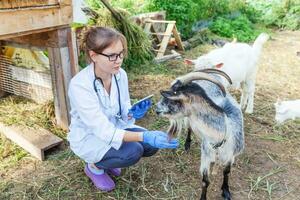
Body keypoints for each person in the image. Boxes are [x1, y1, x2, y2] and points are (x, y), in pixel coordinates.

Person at [67, 26, 179, 192]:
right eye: (112, 55)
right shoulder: (80, 85)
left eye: (121, 54)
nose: (118, 60)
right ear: (94, 55)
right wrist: (144, 135)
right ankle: (94, 167)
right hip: (90, 137)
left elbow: (123, 107)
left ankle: (110, 160)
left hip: (115, 128)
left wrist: (131, 112)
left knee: (149, 147)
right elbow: (103, 131)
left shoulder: (120, 75)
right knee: (133, 151)